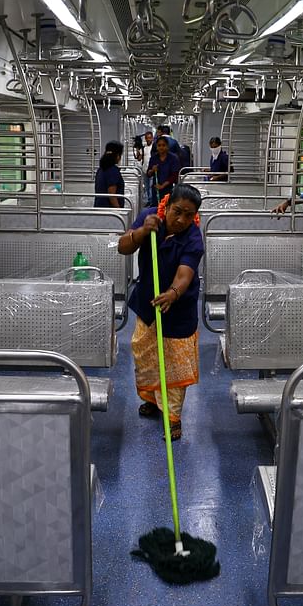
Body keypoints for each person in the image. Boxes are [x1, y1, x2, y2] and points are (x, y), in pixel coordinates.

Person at [117, 184, 204, 441]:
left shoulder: (193, 238)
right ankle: (154, 400)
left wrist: (173, 293)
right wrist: (143, 231)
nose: (182, 220)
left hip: (179, 309)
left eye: (188, 215)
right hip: (148, 301)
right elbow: (123, 246)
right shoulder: (150, 217)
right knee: (146, 354)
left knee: (175, 365)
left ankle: (173, 417)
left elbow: (185, 274)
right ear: (167, 206)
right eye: (177, 211)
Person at [146, 136, 181, 206]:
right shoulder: (154, 158)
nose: (161, 147)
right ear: (156, 147)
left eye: (163, 145)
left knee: (167, 207)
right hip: (156, 189)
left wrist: (163, 186)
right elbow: (148, 174)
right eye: (159, 145)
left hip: (169, 189)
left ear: (167, 146)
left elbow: (174, 175)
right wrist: (152, 170)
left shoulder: (173, 158)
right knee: (157, 208)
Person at [94, 140, 125, 209]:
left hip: (99, 208)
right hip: (110, 211)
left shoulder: (100, 169)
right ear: (117, 156)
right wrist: (119, 210)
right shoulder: (113, 171)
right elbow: (111, 194)